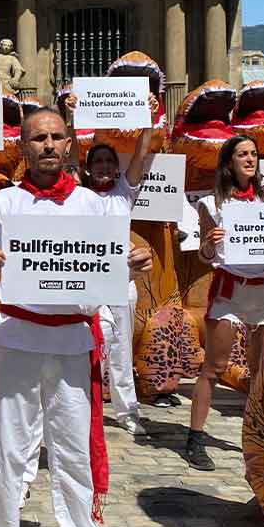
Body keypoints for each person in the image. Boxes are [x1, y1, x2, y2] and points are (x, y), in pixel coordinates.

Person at [0, 107, 151, 527]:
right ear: (22, 147)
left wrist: (136, 266)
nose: (47, 145)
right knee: (6, 447)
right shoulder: (2, 205)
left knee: (73, 454)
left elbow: (113, 275)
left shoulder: (97, 206)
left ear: (70, 146)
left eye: (56, 136)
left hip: (71, 343)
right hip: (16, 337)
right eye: (37, 138)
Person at [189, 134, 264, 470]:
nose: (250, 160)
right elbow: (204, 254)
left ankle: (260, 435)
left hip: (263, 290)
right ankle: (195, 437)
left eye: (254, 154)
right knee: (214, 367)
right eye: (242, 154)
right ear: (229, 161)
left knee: (261, 370)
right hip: (230, 289)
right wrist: (210, 244)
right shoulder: (212, 204)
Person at [81, 130, 153, 438]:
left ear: (117, 167)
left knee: (122, 347)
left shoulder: (124, 191)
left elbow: (141, 153)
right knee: (85, 345)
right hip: (86, 279)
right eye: (97, 161)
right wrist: (70, 116)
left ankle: (127, 411)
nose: (103, 166)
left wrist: (149, 119)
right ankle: (82, 408)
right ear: (87, 167)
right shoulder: (78, 195)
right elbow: (69, 155)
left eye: (109, 161)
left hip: (122, 280)